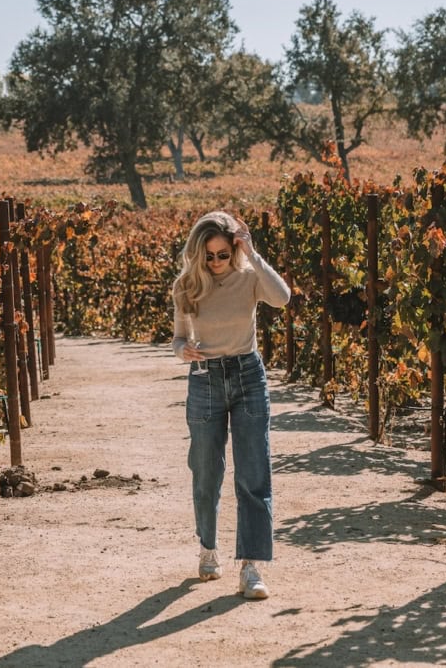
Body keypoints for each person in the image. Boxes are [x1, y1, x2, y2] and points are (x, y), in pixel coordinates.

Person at [172, 210, 290, 599]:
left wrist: (252, 253)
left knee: (254, 472)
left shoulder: (250, 277)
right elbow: (177, 338)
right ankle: (208, 548)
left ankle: (251, 566)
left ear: (234, 250)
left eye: (223, 254)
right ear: (198, 254)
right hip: (205, 378)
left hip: (248, 376)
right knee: (206, 470)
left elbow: (282, 298)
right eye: (209, 256)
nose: (217, 262)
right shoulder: (187, 286)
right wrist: (183, 351)